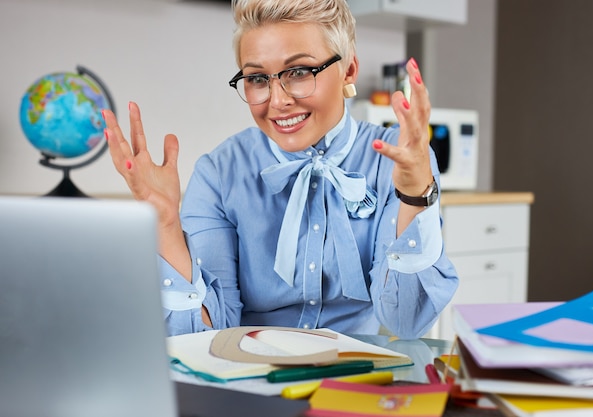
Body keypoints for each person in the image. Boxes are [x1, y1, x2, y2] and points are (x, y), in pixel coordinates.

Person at [102, 0, 459, 339]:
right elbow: (202, 336)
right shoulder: (219, 174)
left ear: (348, 67)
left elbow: (407, 322)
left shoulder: (399, 159)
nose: (278, 100)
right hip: (247, 380)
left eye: (300, 72)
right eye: (258, 79)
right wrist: (166, 226)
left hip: (354, 380)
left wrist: (414, 194)